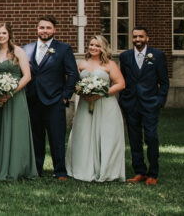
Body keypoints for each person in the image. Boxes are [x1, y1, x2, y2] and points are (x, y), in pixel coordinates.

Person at [0, 23, 38, 180]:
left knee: (15, 130)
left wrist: (10, 93)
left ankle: (16, 167)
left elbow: (27, 76)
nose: (1, 36)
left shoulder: (18, 51)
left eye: (4, 33)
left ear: (9, 34)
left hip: (15, 98)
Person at [23, 15, 79, 179]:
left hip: (55, 101)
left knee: (57, 138)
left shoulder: (63, 49)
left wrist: (65, 96)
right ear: (37, 29)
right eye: (42, 27)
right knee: (36, 138)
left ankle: (60, 171)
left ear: (54, 30)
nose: (45, 31)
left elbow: (73, 74)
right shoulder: (27, 49)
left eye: (48, 28)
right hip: (32, 100)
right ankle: (37, 169)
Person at [66, 35, 126, 182]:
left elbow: (120, 84)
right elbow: (75, 83)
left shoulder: (110, 64)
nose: (93, 48)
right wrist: (81, 91)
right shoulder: (82, 63)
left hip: (105, 105)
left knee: (105, 136)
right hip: (85, 104)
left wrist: (102, 93)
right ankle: (83, 168)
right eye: (91, 45)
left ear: (103, 48)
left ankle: (106, 169)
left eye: (97, 46)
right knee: (84, 134)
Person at [119, 26, 169, 186]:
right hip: (131, 104)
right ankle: (139, 171)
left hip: (150, 104)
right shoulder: (125, 56)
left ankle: (153, 173)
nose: (137, 40)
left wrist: (159, 100)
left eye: (141, 36)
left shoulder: (158, 55)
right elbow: (124, 79)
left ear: (147, 38)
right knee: (134, 139)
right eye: (135, 37)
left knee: (151, 137)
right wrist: (124, 100)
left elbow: (164, 82)